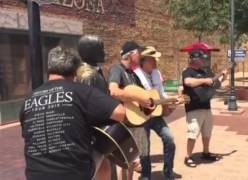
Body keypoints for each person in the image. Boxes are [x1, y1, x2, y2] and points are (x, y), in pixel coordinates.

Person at [19, 46, 125, 180]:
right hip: (73, 174)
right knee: (101, 148)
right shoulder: (80, 91)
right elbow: (120, 113)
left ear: (49, 68)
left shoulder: (29, 98)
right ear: (75, 71)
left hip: (36, 175)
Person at [107, 41, 152, 180]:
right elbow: (113, 91)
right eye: (138, 53)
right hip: (123, 124)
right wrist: (137, 98)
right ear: (130, 54)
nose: (140, 56)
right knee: (123, 162)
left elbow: (144, 96)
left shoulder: (133, 74)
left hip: (136, 122)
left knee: (133, 160)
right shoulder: (116, 69)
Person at [75, 35, 116, 180]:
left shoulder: (94, 72)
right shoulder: (87, 76)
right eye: (101, 48)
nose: (104, 52)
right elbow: (87, 107)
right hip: (95, 136)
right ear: (89, 51)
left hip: (101, 132)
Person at [134, 46, 176, 180]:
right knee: (144, 147)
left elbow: (161, 93)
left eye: (155, 59)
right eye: (152, 59)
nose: (155, 62)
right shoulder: (135, 75)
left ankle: (168, 173)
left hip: (156, 115)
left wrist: (169, 102)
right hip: (139, 116)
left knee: (169, 139)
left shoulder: (156, 73)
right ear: (143, 61)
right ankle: (146, 176)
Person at [182, 49, 227, 168]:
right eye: (201, 58)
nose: (203, 60)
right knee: (193, 133)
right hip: (193, 108)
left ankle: (205, 152)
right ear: (194, 59)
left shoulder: (205, 71)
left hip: (206, 107)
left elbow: (215, 83)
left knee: (207, 132)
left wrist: (223, 76)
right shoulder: (187, 71)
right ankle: (188, 156)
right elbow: (188, 82)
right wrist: (204, 80)